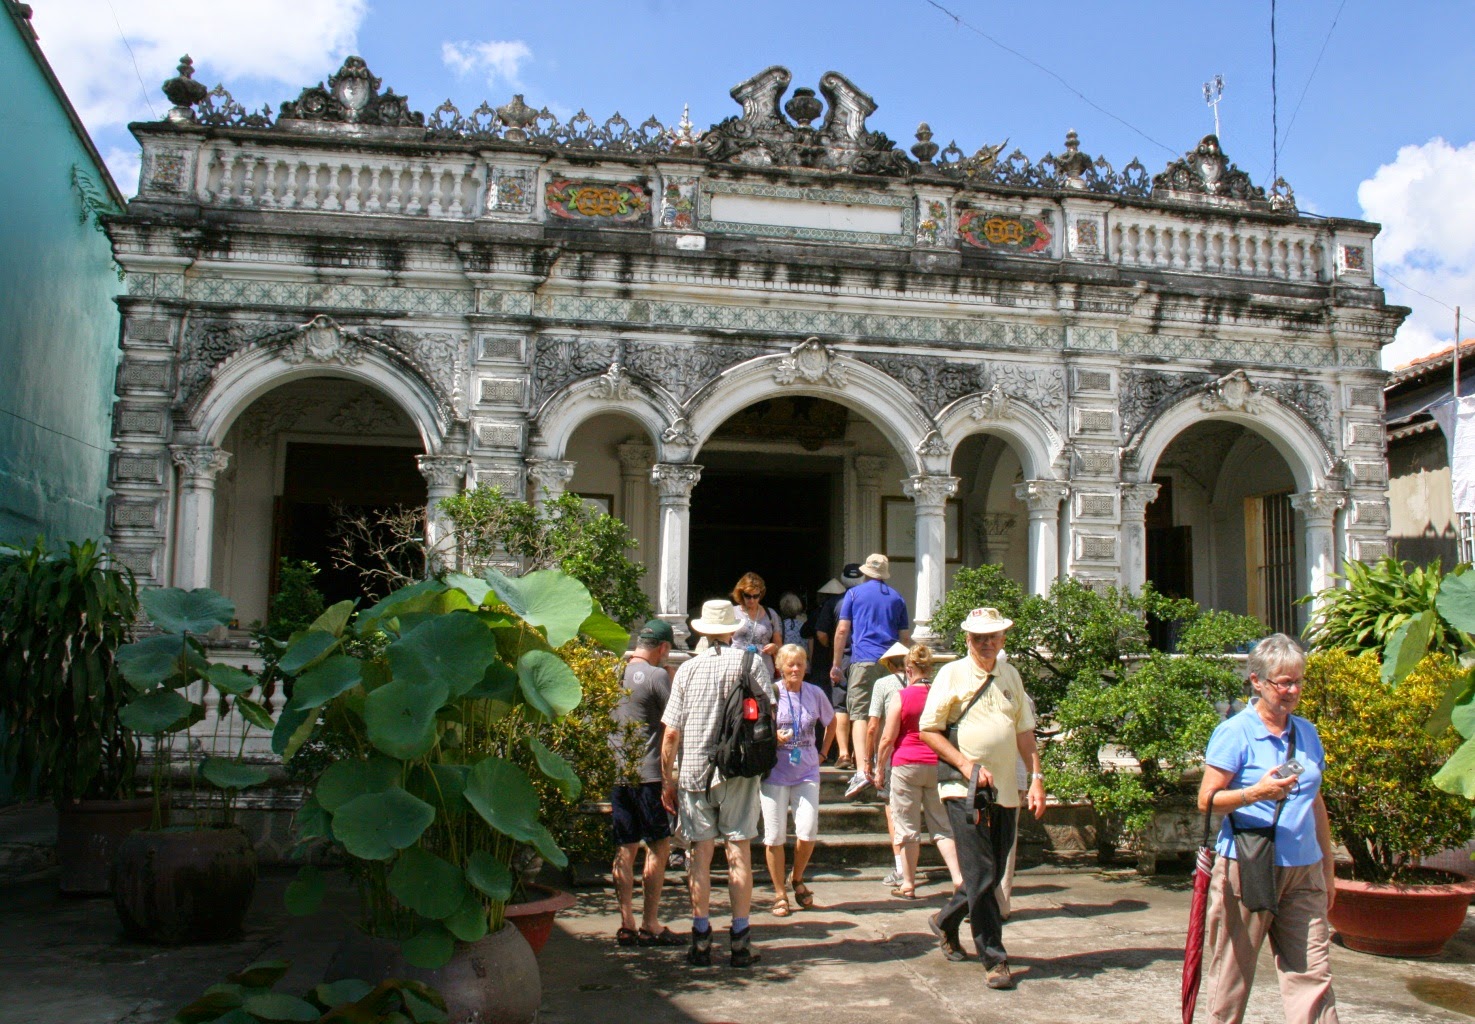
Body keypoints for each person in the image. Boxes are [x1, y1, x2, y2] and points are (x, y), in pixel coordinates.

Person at [1195, 634, 1339, 1024]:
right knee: (1233, 973)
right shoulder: (1235, 731)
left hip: (1303, 868)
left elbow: (1316, 802)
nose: (1291, 690)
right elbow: (1206, 799)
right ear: (1257, 681)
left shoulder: (1306, 733)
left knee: (1313, 974)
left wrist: (1328, 866)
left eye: (1297, 681)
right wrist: (1256, 792)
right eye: (1282, 682)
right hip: (1248, 864)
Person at [919, 607, 1046, 991]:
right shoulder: (951, 674)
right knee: (984, 871)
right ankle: (994, 957)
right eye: (978, 637)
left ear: (1003, 638)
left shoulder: (1010, 675)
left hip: (1005, 789)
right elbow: (929, 729)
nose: (985, 643)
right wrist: (965, 764)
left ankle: (945, 920)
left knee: (986, 872)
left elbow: (1024, 731)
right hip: (964, 789)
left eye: (992, 636)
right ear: (967, 640)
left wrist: (1037, 777)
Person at [660, 598, 773, 968]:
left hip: (694, 772)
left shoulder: (688, 670)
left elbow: (671, 733)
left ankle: (701, 939)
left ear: (702, 631)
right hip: (738, 771)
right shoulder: (751, 662)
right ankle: (740, 940)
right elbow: (768, 714)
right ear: (732, 628)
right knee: (739, 852)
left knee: (699, 857)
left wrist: (667, 780)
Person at [609, 619, 682, 947]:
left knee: (625, 847)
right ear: (663, 648)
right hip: (650, 774)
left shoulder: (614, 672)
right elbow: (673, 724)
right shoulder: (656, 676)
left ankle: (626, 922)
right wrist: (670, 779)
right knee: (658, 844)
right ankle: (650, 922)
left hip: (618, 772)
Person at [874, 643, 964, 900]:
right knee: (942, 826)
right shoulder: (939, 694)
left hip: (906, 763)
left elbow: (887, 738)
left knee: (907, 827)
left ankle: (909, 884)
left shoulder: (901, 696)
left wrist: (880, 768)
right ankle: (959, 878)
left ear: (909, 669)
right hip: (936, 764)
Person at [759, 644, 836, 917]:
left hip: (806, 770)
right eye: (790, 665)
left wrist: (824, 752)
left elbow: (832, 721)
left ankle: (797, 877)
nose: (795, 669)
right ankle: (780, 893)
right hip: (775, 772)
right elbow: (756, 726)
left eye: (800, 664)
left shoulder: (814, 693)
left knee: (807, 830)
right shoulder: (771, 692)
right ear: (780, 667)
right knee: (775, 835)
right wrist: (772, 736)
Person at [830, 554, 910, 798]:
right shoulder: (897, 598)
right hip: (890, 662)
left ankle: (862, 770)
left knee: (860, 714)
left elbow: (843, 629)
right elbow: (905, 637)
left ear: (865, 572)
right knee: (885, 715)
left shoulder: (853, 595)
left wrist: (835, 664)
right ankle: (881, 768)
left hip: (862, 659)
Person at [805, 566, 861, 767]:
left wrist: (833, 652)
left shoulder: (835, 602)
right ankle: (861, 755)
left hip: (843, 660)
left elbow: (821, 633)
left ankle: (844, 753)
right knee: (862, 707)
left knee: (840, 705)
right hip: (868, 658)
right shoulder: (870, 600)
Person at [868, 641, 912, 887]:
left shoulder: (882, 685)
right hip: (918, 753)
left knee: (892, 812)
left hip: (892, 753)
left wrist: (870, 760)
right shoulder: (923, 685)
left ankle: (900, 868)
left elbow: (873, 725)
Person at [731, 572, 782, 679]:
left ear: (761, 594)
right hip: (736, 668)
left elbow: (779, 644)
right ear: (741, 594)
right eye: (748, 596)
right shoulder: (732, 613)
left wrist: (775, 647)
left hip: (764, 670)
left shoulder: (771, 614)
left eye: (756, 596)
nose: (752, 600)